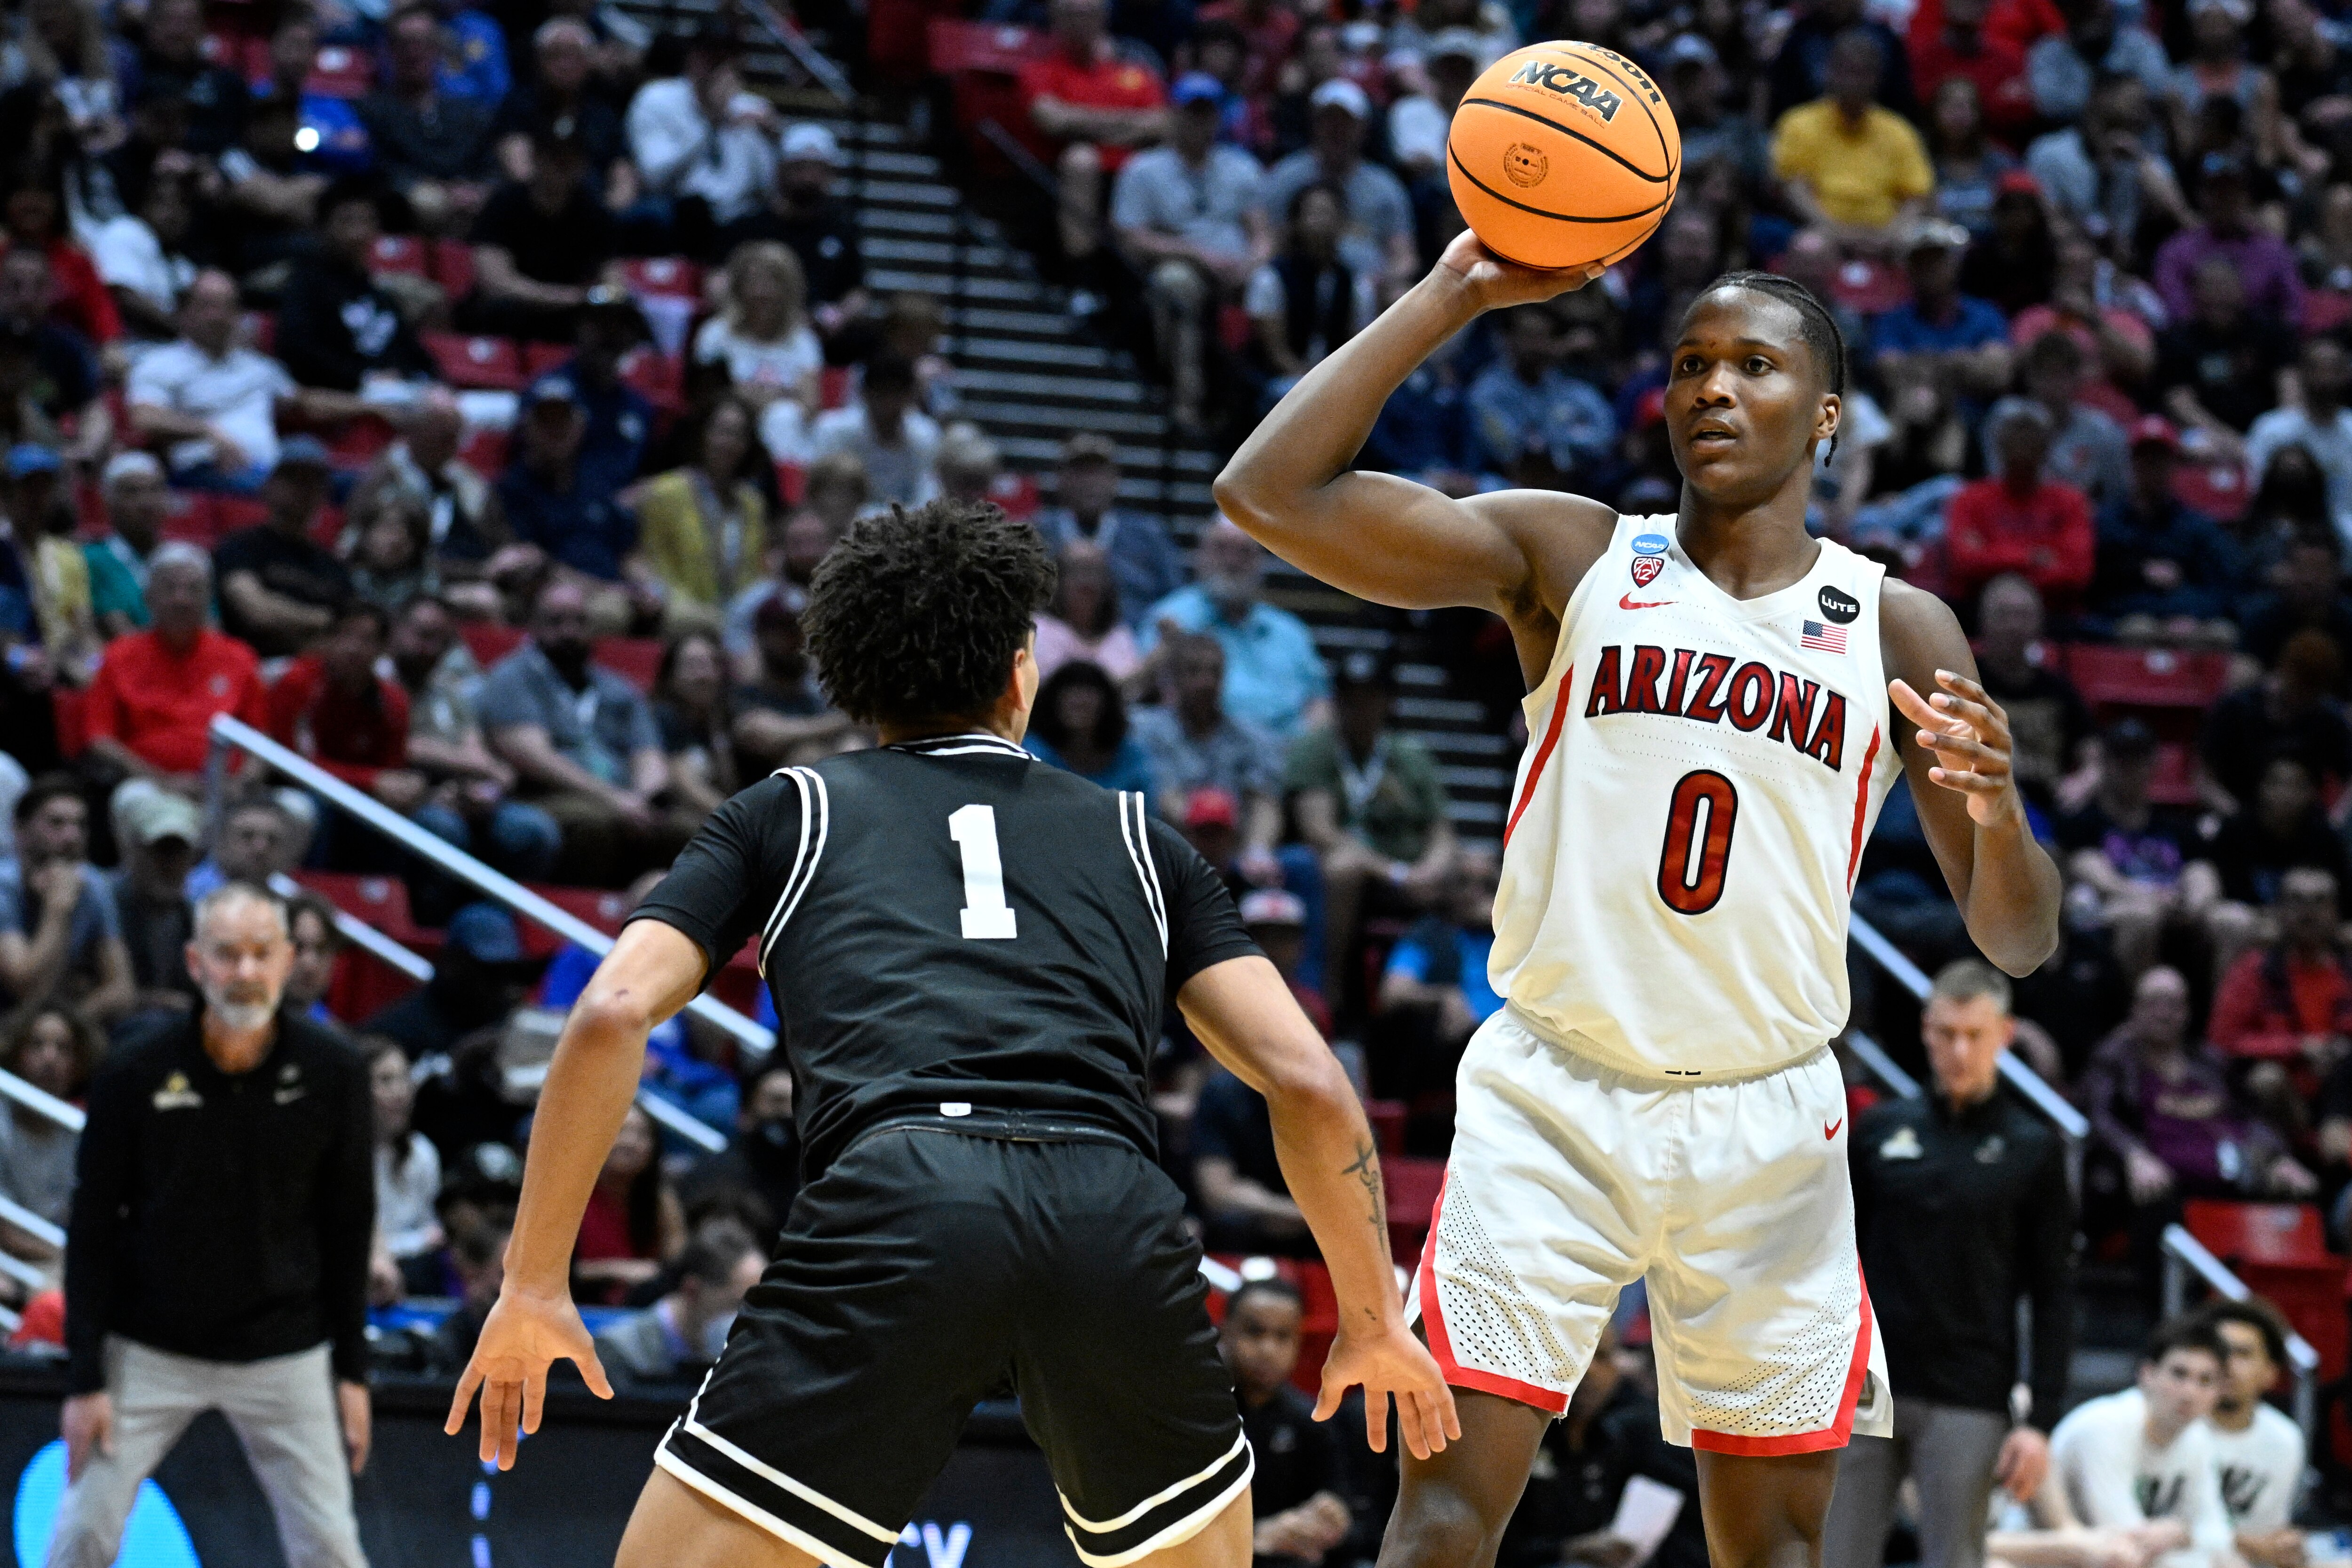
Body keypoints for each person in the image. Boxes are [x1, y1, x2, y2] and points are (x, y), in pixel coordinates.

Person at [1216, 237, 2063, 1568]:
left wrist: (2002, 806)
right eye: (1690, 365)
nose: (1712, 389)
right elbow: (1267, 491)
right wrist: (1452, 297)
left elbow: (2016, 936)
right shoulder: (1577, 555)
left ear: (1826, 415)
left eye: (1754, 366)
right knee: (1441, 1516)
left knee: (1777, 1548)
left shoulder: (1900, 629)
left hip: (1770, 1117)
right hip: (1555, 1093)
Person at [444, 498, 1455, 1567]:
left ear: (847, 678)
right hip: (1108, 1207)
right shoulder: (1133, 834)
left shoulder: (788, 808)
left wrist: (534, 1283)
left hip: (899, 1197)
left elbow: (607, 1014)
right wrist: (1372, 1319)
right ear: (1021, 671)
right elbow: (1305, 1079)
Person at [47, 883, 373, 1568]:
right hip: (150, 1344)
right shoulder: (135, 1070)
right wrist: (84, 1379)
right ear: (195, 962)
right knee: (83, 1534)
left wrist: (352, 1370)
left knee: (333, 1550)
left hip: (287, 1348)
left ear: (288, 961)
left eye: (262, 954)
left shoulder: (335, 1072)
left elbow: (349, 1224)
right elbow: (94, 1226)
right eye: (228, 955)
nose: (246, 973)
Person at [1825, 960, 2074, 1568]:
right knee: (1835, 1557)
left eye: (1975, 1035)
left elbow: (2053, 1293)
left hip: (1971, 1391)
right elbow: (1834, 1260)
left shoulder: (2034, 1147)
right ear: (1925, 1030)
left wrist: (2040, 1419)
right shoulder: (1881, 1131)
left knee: (1955, 1559)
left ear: (2004, 1035)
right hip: (1868, 1385)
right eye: (1946, 1033)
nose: (1959, 1050)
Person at [477, 579, 683, 884]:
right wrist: (615, 799)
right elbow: (534, 758)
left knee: (689, 829)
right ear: (534, 624)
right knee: (596, 825)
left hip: (624, 798)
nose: (570, 632)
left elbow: (648, 753)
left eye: (579, 621)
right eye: (556, 621)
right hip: (547, 794)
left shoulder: (618, 688)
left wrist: (646, 800)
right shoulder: (512, 678)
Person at [1288, 651, 1457, 1001]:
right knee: (1343, 866)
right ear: (1337, 702)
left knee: (1473, 869)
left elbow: (1442, 832)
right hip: (1360, 870)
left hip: (1412, 872)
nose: (1360, 707)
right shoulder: (1316, 749)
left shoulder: (1410, 754)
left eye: (1370, 698)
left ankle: (1448, 988)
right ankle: (1328, 994)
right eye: (1351, 698)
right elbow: (1319, 829)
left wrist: (1430, 869)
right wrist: (1393, 872)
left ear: (1387, 702)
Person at [1111, 72, 1269, 432]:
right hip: (1181, 264)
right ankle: (1187, 399)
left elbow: (1262, 233)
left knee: (1270, 283)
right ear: (1174, 115)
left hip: (1237, 268)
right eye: (1191, 112)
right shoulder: (1144, 169)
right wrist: (1196, 255)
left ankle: (1269, 396)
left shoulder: (1241, 167)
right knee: (1176, 283)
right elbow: (1131, 238)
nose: (1200, 121)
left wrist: (1253, 262)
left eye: (1207, 113)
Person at [125, 269, 364, 492]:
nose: (218, 317)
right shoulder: (159, 363)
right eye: (208, 306)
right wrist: (208, 433)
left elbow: (307, 402)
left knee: (349, 477)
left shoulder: (259, 367)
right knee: (296, 477)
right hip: (206, 472)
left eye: (227, 307)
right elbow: (145, 418)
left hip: (271, 472)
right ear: (185, 313)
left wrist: (372, 406)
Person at [2046, 1317, 2234, 1560]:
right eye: (2179, 1374)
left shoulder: (2197, 1436)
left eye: (2206, 1381)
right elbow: (2126, 1539)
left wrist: (2181, 1533)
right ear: (2148, 1374)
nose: (2190, 1393)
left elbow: (2218, 1533)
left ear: (2220, 1391)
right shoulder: (2105, 1426)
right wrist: (2184, 1536)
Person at [1141, 520, 1330, 738]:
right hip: (1201, 749)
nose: (1232, 562)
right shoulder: (1172, 618)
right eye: (1221, 549)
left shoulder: (1290, 632)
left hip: (1285, 755)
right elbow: (1145, 693)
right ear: (1200, 555)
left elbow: (1320, 701)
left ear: (1261, 561)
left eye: (1244, 552)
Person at [1017, 0, 1168, 265]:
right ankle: (1081, 275)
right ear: (1056, 19)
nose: (1079, 23)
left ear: (1103, 18)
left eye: (1087, 15)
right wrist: (1128, 125)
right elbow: (1052, 120)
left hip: (1130, 172)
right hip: (1062, 176)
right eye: (1071, 15)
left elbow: (1160, 124)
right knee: (1081, 158)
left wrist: (1081, 121)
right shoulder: (1039, 69)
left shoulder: (1133, 70)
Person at [1222, 1279, 1351, 1565]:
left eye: (1283, 1336)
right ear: (1225, 1329)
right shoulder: (1193, 1413)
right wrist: (1256, 1535)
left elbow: (1343, 1507)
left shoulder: (1313, 1420)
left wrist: (1331, 1519)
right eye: (1255, 1332)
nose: (1268, 1349)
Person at [1772, 31, 1938, 247]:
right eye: (1847, 71)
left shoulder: (1899, 130)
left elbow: (1918, 195)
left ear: (1878, 78)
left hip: (1888, 237)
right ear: (1829, 72)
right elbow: (1791, 187)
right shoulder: (1799, 123)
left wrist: (1894, 233)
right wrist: (1831, 229)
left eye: (1863, 74)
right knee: (1809, 246)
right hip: (1821, 231)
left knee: (1928, 245)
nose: (1854, 81)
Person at [275, 181, 435, 395]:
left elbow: (412, 352)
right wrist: (363, 377)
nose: (359, 233)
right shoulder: (306, 287)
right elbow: (299, 352)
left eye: (368, 221)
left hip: (398, 391)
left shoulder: (377, 292)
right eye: (348, 221)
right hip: (346, 396)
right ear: (323, 228)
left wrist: (432, 381)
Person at [1943, 398, 2098, 611]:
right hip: (1977, 610)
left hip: (2054, 612)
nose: (2022, 443)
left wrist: (1993, 556)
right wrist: (2032, 557)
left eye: (2030, 434)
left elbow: (2077, 570)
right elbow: (1965, 562)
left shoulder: (2070, 501)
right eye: (2015, 433)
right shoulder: (1969, 498)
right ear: (1998, 442)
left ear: (2047, 445)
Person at [0, 777, 132, 1025]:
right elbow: (25, 989)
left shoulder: (93, 885)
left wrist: (67, 1027)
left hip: (61, 1028)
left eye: (80, 825)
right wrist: (58, 909)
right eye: (56, 823)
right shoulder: (4, 886)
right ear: (20, 831)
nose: (72, 837)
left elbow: (122, 990)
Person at [634, 394, 768, 627]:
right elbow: (648, 558)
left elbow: (755, 570)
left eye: (739, 435)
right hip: (680, 611)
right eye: (721, 431)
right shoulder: (665, 492)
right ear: (702, 435)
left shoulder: (753, 504)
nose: (728, 442)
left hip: (739, 616)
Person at [2193, 1298, 2307, 1568]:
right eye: (2218, 1351)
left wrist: (2285, 1547)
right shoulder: (2177, 1427)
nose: (2227, 1364)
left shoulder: (2285, 1439)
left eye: (2242, 1354)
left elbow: (2270, 1530)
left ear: (2270, 1374)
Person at [212, 437, 352, 657]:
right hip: (252, 667)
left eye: (314, 481)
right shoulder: (240, 546)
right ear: (270, 485)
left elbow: (347, 632)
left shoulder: (333, 566)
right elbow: (255, 610)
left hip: (313, 673)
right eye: (294, 478)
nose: (304, 489)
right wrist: (320, 619)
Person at [1035, 433, 1184, 629]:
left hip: (1135, 647)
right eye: (1081, 472)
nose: (1089, 482)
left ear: (1115, 479)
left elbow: (1177, 599)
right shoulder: (1036, 533)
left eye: (1097, 472)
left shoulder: (1148, 534)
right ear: (1061, 478)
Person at [591, 1218, 763, 1385]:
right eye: (739, 1306)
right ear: (692, 1291)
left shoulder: (750, 1361)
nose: (755, 1321)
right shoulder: (615, 1355)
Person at [0, 1003, 95, 1246]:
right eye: (37, 1045)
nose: (49, 1058)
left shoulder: (82, 1132)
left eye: (63, 1049)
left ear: (78, 1064)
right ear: (17, 1052)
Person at [573, 1100, 685, 1305]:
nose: (630, 1143)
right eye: (620, 1131)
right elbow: (553, 1273)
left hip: (645, 1306)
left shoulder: (661, 1200)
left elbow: (677, 1264)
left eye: (642, 1135)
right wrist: (618, 1270)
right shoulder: (572, 1196)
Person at [2246, 335, 2352, 541]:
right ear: (2301, 374)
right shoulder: (2272, 429)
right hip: (2284, 539)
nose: (2325, 378)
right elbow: (2253, 487)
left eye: (2333, 369)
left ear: (2347, 374)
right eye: (2317, 368)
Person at [370, 1035, 443, 1283]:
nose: (399, 1093)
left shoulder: (422, 1153)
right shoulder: (340, 1157)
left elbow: (433, 1233)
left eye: (404, 1078)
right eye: (385, 1080)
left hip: (413, 1274)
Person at [1025, 660, 1155, 792]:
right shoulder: (1031, 753)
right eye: (1070, 694)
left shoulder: (1130, 756)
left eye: (1089, 695)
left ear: (1107, 706)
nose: (1079, 702)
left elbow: (1148, 805)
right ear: (1052, 703)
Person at [84, 452, 167, 638]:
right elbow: (120, 633)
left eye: (155, 490)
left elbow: (209, 632)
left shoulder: (185, 561)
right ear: (107, 501)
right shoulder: (93, 559)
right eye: (132, 492)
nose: (146, 502)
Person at [1035, 538, 1141, 681]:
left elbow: (1131, 693)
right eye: (1076, 571)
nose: (1086, 582)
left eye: (1095, 572)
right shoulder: (1037, 631)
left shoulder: (1121, 636)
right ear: (1056, 582)